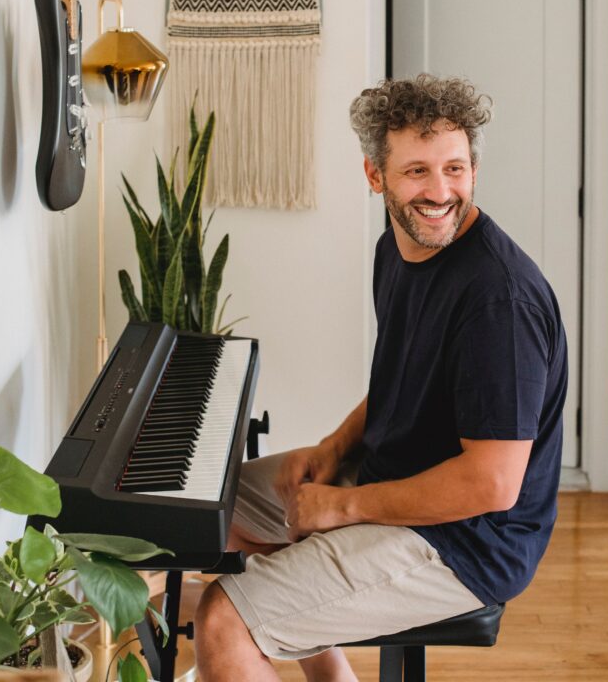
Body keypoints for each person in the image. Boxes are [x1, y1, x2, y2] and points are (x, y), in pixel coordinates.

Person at [194, 74, 568, 682]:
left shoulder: (499, 301)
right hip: (399, 474)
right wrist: (333, 449)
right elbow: (407, 378)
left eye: (455, 168)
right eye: (416, 171)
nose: (440, 191)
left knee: (221, 619)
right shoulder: (397, 251)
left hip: (469, 543)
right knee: (218, 505)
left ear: (474, 168)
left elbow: (493, 485)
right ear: (376, 177)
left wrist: (343, 506)